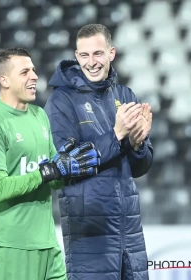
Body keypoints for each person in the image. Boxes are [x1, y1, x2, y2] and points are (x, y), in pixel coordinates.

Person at [0, 47, 101, 280]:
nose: (34, 76)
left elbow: (54, 179)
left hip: (47, 243)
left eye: (33, 70)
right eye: (24, 72)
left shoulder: (39, 115)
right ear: (4, 80)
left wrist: (68, 167)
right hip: (12, 246)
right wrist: (48, 171)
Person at [44, 24, 153, 280]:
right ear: (76, 55)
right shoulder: (61, 101)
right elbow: (66, 162)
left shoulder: (126, 95)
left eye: (98, 54)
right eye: (84, 55)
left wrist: (138, 145)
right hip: (90, 235)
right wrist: (115, 136)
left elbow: (141, 167)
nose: (91, 62)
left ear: (111, 53)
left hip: (130, 234)